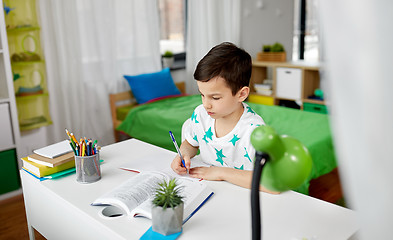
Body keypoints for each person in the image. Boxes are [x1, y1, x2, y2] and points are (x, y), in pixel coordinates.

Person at [171, 42, 278, 194]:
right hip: (206, 190)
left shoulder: (255, 131)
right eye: (202, 95)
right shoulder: (201, 114)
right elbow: (190, 143)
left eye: (215, 97)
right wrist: (184, 155)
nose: (206, 104)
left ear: (241, 94)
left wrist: (220, 173)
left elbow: (272, 183)